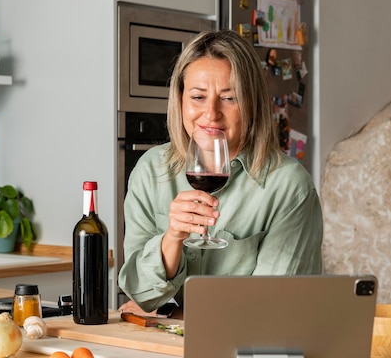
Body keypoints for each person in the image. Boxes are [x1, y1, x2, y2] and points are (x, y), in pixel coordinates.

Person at [118, 30, 323, 315]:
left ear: (251, 103)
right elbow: (142, 294)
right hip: (169, 347)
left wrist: (173, 312)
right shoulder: (151, 170)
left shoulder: (289, 187)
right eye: (198, 97)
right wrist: (173, 237)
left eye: (229, 98)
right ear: (180, 100)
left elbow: (273, 309)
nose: (211, 113)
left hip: (250, 352)